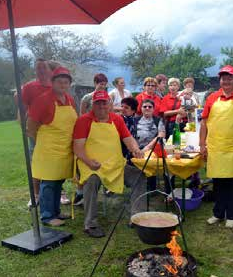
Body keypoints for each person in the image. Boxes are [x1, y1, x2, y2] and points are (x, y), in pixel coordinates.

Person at [73, 90, 146, 238]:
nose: (101, 106)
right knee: (91, 181)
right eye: (98, 103)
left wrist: (135, 149)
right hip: (92, 166)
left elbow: (128, 138)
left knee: (139, 176)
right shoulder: (83, 120)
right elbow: (77, 148)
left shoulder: (117, 119)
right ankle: (90, 224)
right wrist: (89, 162)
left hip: (115, 165)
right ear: (92, 105)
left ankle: (137, 217)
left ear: (110, 104)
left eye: (104, 103)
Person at [199, 65, 233, 228]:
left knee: (231, 184)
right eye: (223, 78)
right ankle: (218, 213)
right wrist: (202, 145)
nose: (226, 80)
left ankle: (231, 215)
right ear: (220, 80)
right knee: (218, 183)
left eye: (230, 78)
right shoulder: (212, 98)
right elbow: (204, 123)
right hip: (215, 148)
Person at [27, 67, 77, 227]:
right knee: (48, 182)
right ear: (52, 82)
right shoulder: (43, 100)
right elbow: (31, 125)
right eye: (59, 81)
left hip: (64, 148)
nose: (63, 85)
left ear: (69, 84)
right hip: (48, 149)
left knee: (58, 181)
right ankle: (47, 216)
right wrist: (40, 140)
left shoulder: (69, 99)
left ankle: (55, 211)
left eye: (66, 82)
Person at [16, 58, 52, 207]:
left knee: (55, 161)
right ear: (35, 70)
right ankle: (35, 194)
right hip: (35, 130)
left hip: (53, 131)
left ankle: (60, 191)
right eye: (38, 68)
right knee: (36, 161)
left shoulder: (55, 86)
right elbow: (22, 108)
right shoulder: (29, 87)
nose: (41, 70)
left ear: (49, 70)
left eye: (44, 67)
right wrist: (22, 125)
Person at [120, 97, 139, 163]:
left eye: (126, 107)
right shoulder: (119, 119)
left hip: (130, 150)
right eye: (122, 106)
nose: (123, 109)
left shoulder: (134, 120)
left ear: (133, 111)